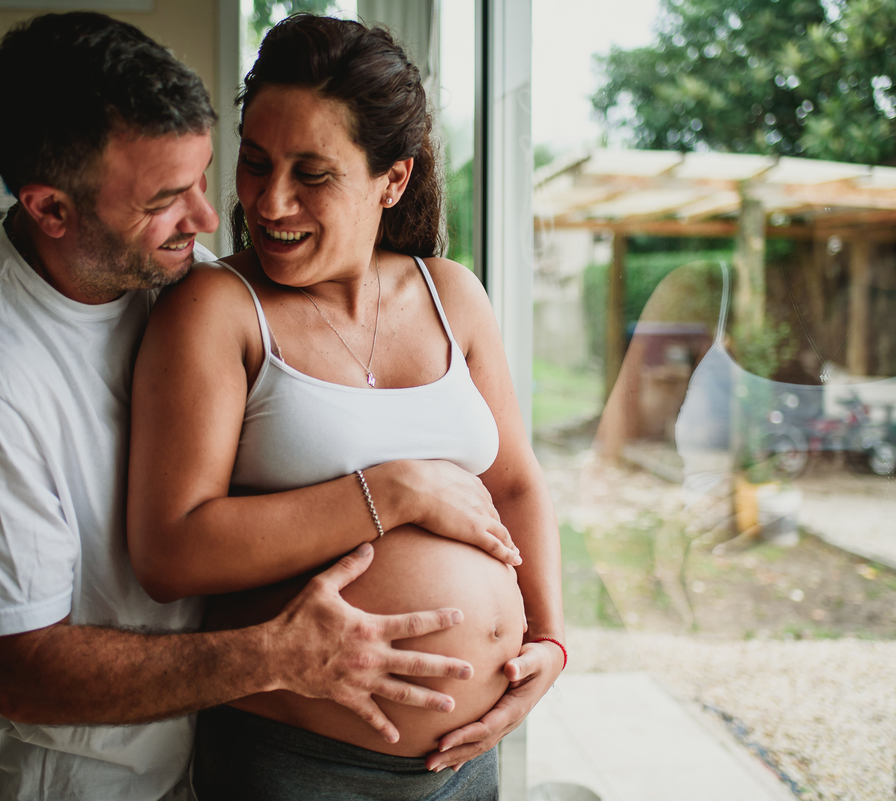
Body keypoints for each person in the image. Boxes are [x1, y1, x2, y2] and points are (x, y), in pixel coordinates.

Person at [0, 12, 501, 800]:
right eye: (166, 198)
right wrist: (280, 653)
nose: (211, 221)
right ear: (51, 210)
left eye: (205, 176)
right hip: (79, 785)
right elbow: (23, 674)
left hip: (200, 761)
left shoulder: (170, 271)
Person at [126, 15, 565, 799]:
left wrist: (551, 642)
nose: (270, 200)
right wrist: (391, 491)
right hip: (301, 760)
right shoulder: (215, 308)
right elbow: (170, 549)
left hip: (469, 759)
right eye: (255, 164)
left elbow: (518, 486)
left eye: (312, 173)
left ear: (391, 180)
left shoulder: (452, 293)